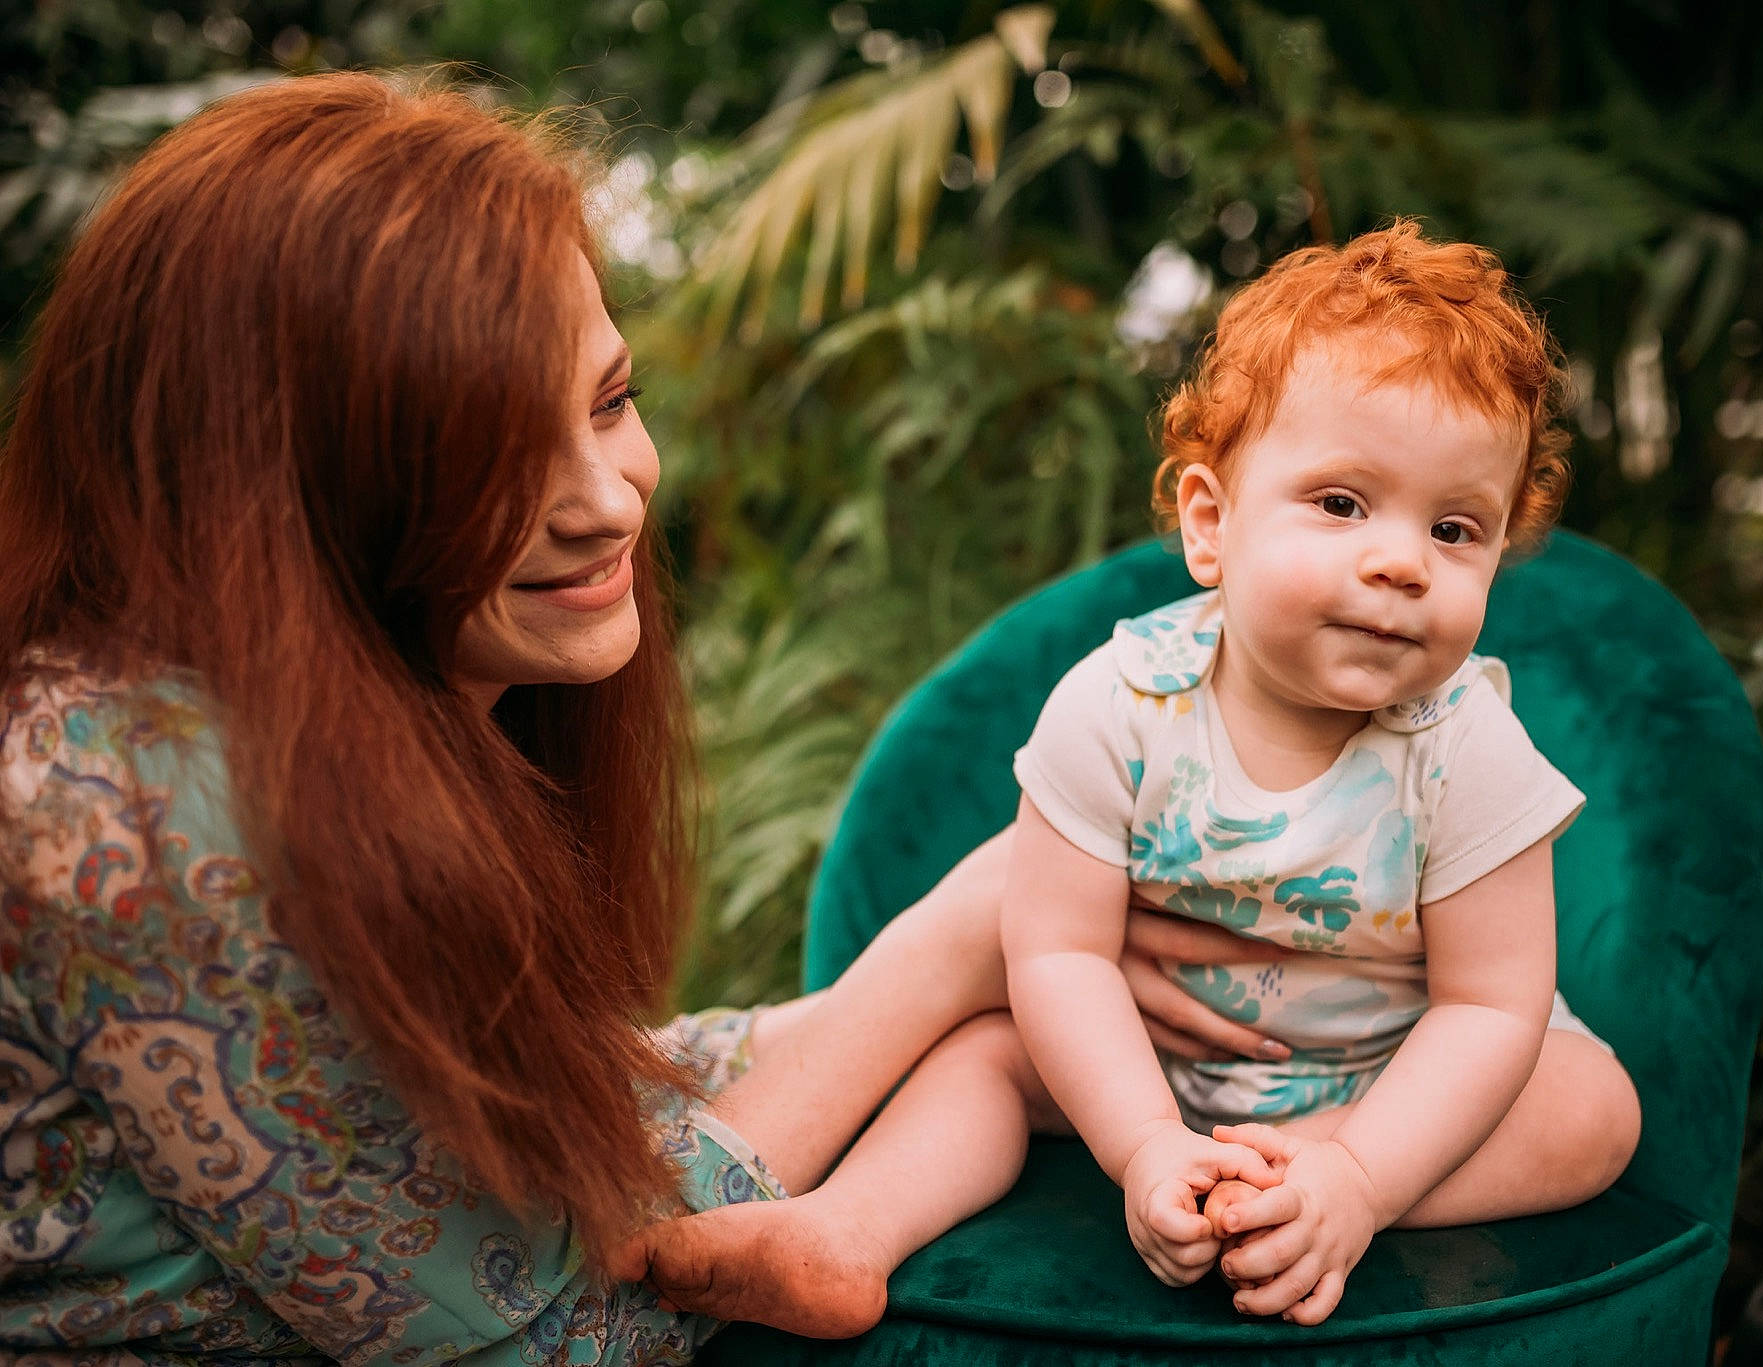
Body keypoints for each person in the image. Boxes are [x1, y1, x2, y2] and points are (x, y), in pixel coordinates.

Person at [0, 71, 1289, 1364]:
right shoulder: (141, 803)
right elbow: (557, 1328)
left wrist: (998, 970)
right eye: (491, 456)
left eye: (610, 401)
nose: (609, 501)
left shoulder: (349, 705)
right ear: (281, 497)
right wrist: (953, 944)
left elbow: (565, 1105)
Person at [617, 223, 1643, 1333]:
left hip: (1393, 1079)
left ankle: (1296, 1186)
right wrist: (1142, 1139)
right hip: (1149, 1066)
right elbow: (1055, 950)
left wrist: (1358, 1176)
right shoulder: (1119, 706)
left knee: (1591, 1107)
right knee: (985, 1054)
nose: (1400, 561)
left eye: (1454, 529)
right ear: (1210, 524)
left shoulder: (1469, 746)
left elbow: (1488, 1007)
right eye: (1342, 503)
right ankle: (844, 1229)